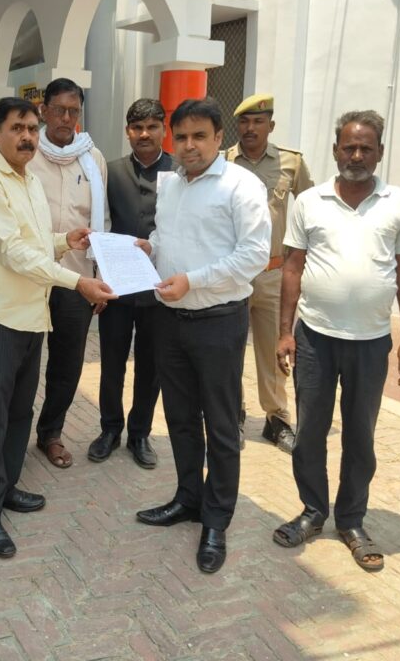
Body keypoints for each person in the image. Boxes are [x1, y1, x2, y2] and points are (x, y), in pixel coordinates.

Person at [0, 97, 116, 557]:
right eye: (17, 128)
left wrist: (64, 240)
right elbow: (12, 252)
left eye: (32, 128)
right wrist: (77, 281)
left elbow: (34, 243)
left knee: (18, 413)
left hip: (32, 316)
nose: (27, 136)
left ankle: (5, 487)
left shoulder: (29, 179)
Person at [273, 109, 400, 573]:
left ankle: (352, 520)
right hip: (315, 338)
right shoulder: (309, 202)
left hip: (371, 342)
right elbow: (293, 267)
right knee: (309, 433)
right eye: (349, 147)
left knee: (360, 436)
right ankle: (313, 511)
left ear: (380, 152)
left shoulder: (399, 203)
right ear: (336, 149)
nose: (356, 155)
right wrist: (285, 331)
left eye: (366, 148)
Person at [135, 98, 270, 575]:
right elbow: (168, 237)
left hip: (218, 322)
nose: (189, 145)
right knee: (180, 418)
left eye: (199, 136)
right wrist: (149, 248)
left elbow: (254, 255)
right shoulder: (171, 183)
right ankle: (188, 498)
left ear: (218, 138)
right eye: (182, 137)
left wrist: (193, 280)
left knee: (221, 424)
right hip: (170, 320)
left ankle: (216, 519)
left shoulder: (241, 185)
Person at [225, 93, 314, 453]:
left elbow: (310, 209)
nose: (250, 128)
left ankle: (277, 419)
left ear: (271, 125)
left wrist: (302, 260)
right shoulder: (224, 162)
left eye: (258, 122)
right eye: (245, 122)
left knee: (276, 350)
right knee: (229, 350)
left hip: (274, 274)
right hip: (234, 274)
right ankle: (233, 414)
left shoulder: (292, 162)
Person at [89, 98, 174, 469]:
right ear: (128, 132)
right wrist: (97, 278)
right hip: (117, 287)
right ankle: (110, 429)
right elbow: (100, 223)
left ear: (163, 130)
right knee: (112, 363)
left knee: (150, 367)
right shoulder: (110, 172)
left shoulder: (177, 173)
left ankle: (140, 433)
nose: (144, 134)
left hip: (160, 289)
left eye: (152, 127)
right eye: (137, 128)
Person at [29, 78, 109, 469]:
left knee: (66, 364)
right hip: (30, 278)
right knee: (23, 363)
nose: (65, 118)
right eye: (59, 109)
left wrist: (101, 276)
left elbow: (102, 221)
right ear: (43, 110)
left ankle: (51, 433)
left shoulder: (93, 158)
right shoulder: (26, 151)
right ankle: (12, 432)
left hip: (77, 279)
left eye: (73, 111)